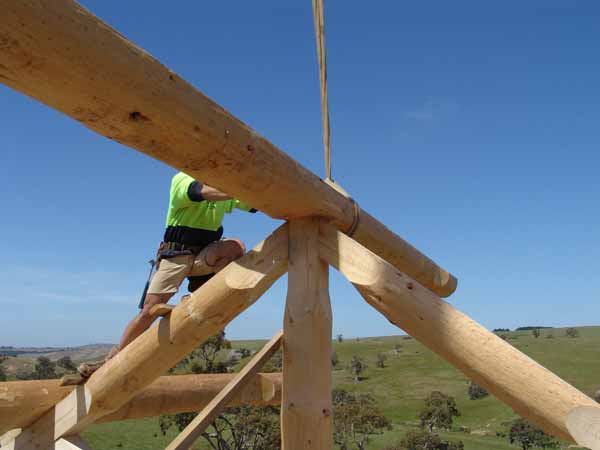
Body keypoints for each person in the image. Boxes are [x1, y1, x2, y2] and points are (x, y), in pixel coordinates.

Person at [79, 172, 256, 376]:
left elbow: (252, 205)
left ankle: (204, 298)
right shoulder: (183, 178)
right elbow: (200, 192)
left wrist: (258, 187)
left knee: (235, 247)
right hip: (177, 255)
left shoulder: (222, 187)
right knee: (149, 312)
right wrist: (241, 186)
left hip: (203, 257)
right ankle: (111, 360)